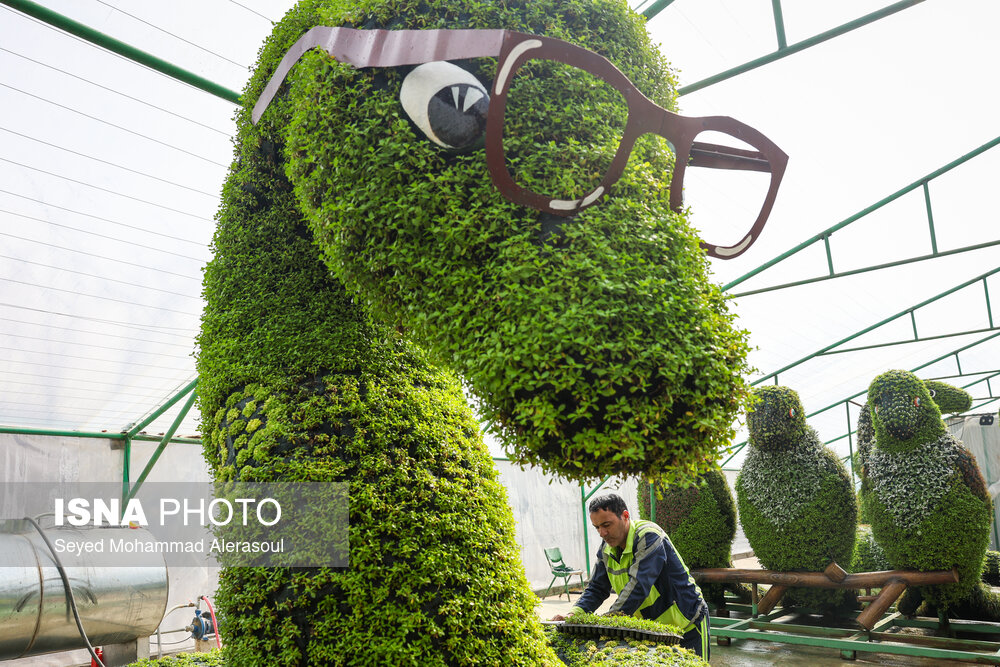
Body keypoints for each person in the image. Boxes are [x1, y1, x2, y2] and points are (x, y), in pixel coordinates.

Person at [551, 493, 710, 658]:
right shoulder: (606, 549)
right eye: (597, 527)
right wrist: (573, 615)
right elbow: (597, 588)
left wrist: (608, 621)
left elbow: (639, 585)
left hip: (688, 623)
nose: (602, 533)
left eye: (607, 524)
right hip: (654, 631)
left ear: (625, 516)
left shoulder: (649, 536)